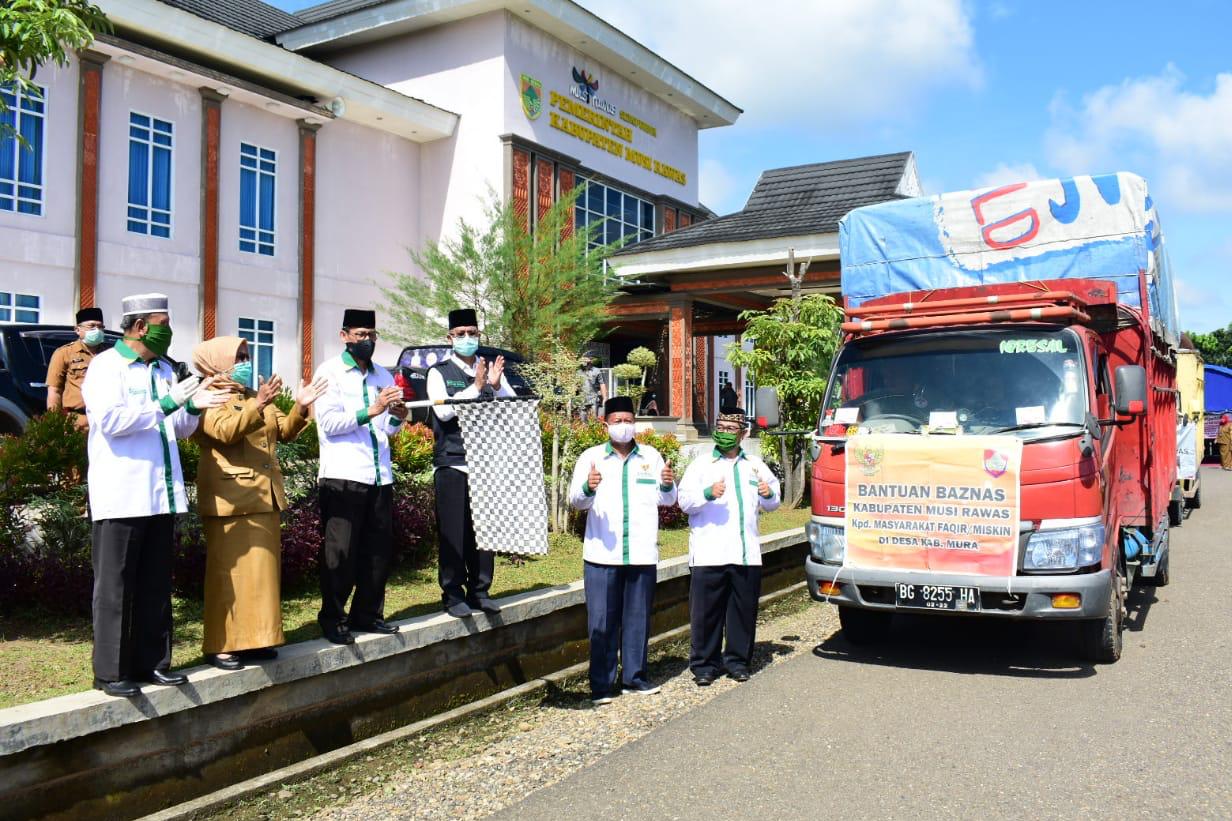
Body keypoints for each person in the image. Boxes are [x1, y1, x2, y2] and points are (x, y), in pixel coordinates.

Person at [81, 293, 228, 697]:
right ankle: (111, 672)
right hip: (121, 493)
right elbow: (111, 422)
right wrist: (167, 402)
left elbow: (177, 427)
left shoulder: (164, 369)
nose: (170, 331)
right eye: (164, 323)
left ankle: (153, 664)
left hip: (160, 494)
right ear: (141, 326)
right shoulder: (106, 367)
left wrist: (193, 406)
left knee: (156, 585)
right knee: (116, 587)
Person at [191, 337, 328, 669]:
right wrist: (259, 403)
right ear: (215, 362)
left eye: (246, 356)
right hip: (230, 500)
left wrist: (301, 406)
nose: (245, 362)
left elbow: (285, 430)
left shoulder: (252, 394)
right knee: (228, 577)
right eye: (238, 357)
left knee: (261, 579)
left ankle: (258, 640)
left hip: (264, 497)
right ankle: (222, 644)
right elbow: (224, 432)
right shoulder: (206, 397)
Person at [568, 395, 676, 705]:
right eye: (618, 421)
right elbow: (576, 501)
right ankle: (601, 685)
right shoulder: (591, 457)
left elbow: (668, 499)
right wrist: (588, 486)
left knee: (637, 618)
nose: (624, 426)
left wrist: (667, 484)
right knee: (601, 621)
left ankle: (635, 678)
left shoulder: (651, 457)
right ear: (606, 424)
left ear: (635, 423)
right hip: (602, 554)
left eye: (628, 420)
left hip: (641, 551)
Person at [313, 309, 407, 645]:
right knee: (341, 552)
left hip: (379, 475)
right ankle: (333, 618)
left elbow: (386, 429)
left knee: (377, 551)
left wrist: (397, 416)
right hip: (344, 475)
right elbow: (329, 424)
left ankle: (367, 615)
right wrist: (373, 409)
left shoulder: (382, 374)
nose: (367, 340)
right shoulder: (329, 373)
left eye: (371, 335)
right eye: (360, 334)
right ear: (344, 336)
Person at [677, 406, 780, 686]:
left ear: (743, 434)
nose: (724, 433)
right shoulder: (701, 465)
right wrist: (708, 493)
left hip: (745, 553)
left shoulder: (754, 465)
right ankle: (704, 666)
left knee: (742, 612)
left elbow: (774, 501)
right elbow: (684, 502)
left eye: (730, 429)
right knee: (705, 614)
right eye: (720, 428)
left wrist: (768, 494)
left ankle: (737, 662)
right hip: (709, 552)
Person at [426, 307, 515, 618]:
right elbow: (443, 412)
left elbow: (512, 407)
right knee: (454, 531)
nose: (467, 338)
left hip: (485, 463)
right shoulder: (438, 372)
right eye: (461, 333)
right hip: (452, 462)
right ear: (450, 337)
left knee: (484, 531)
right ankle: (453, 595)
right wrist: (476, 388)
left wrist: (495, 385)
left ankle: (480, 591)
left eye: (472, 333)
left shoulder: (489, 370)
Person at [46, 307, 109, 429]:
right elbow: (54, 390)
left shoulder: (113, 351)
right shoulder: (64, 353)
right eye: (92, 326)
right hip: (78, 421)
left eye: (100, 327)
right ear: (77, 330)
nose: (97, 330)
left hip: (107, 420)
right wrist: (55, 424)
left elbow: (136, 359)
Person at [581, 357, 607, 421]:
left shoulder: (597, 371)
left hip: (594, 398)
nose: (585, 361)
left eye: (587, 359)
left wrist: (604, 397)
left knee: (593, 419)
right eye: (583, 359)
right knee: (582, 420)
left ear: (591, 361)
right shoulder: (578, 372)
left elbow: (602, 384)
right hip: (581, 399)